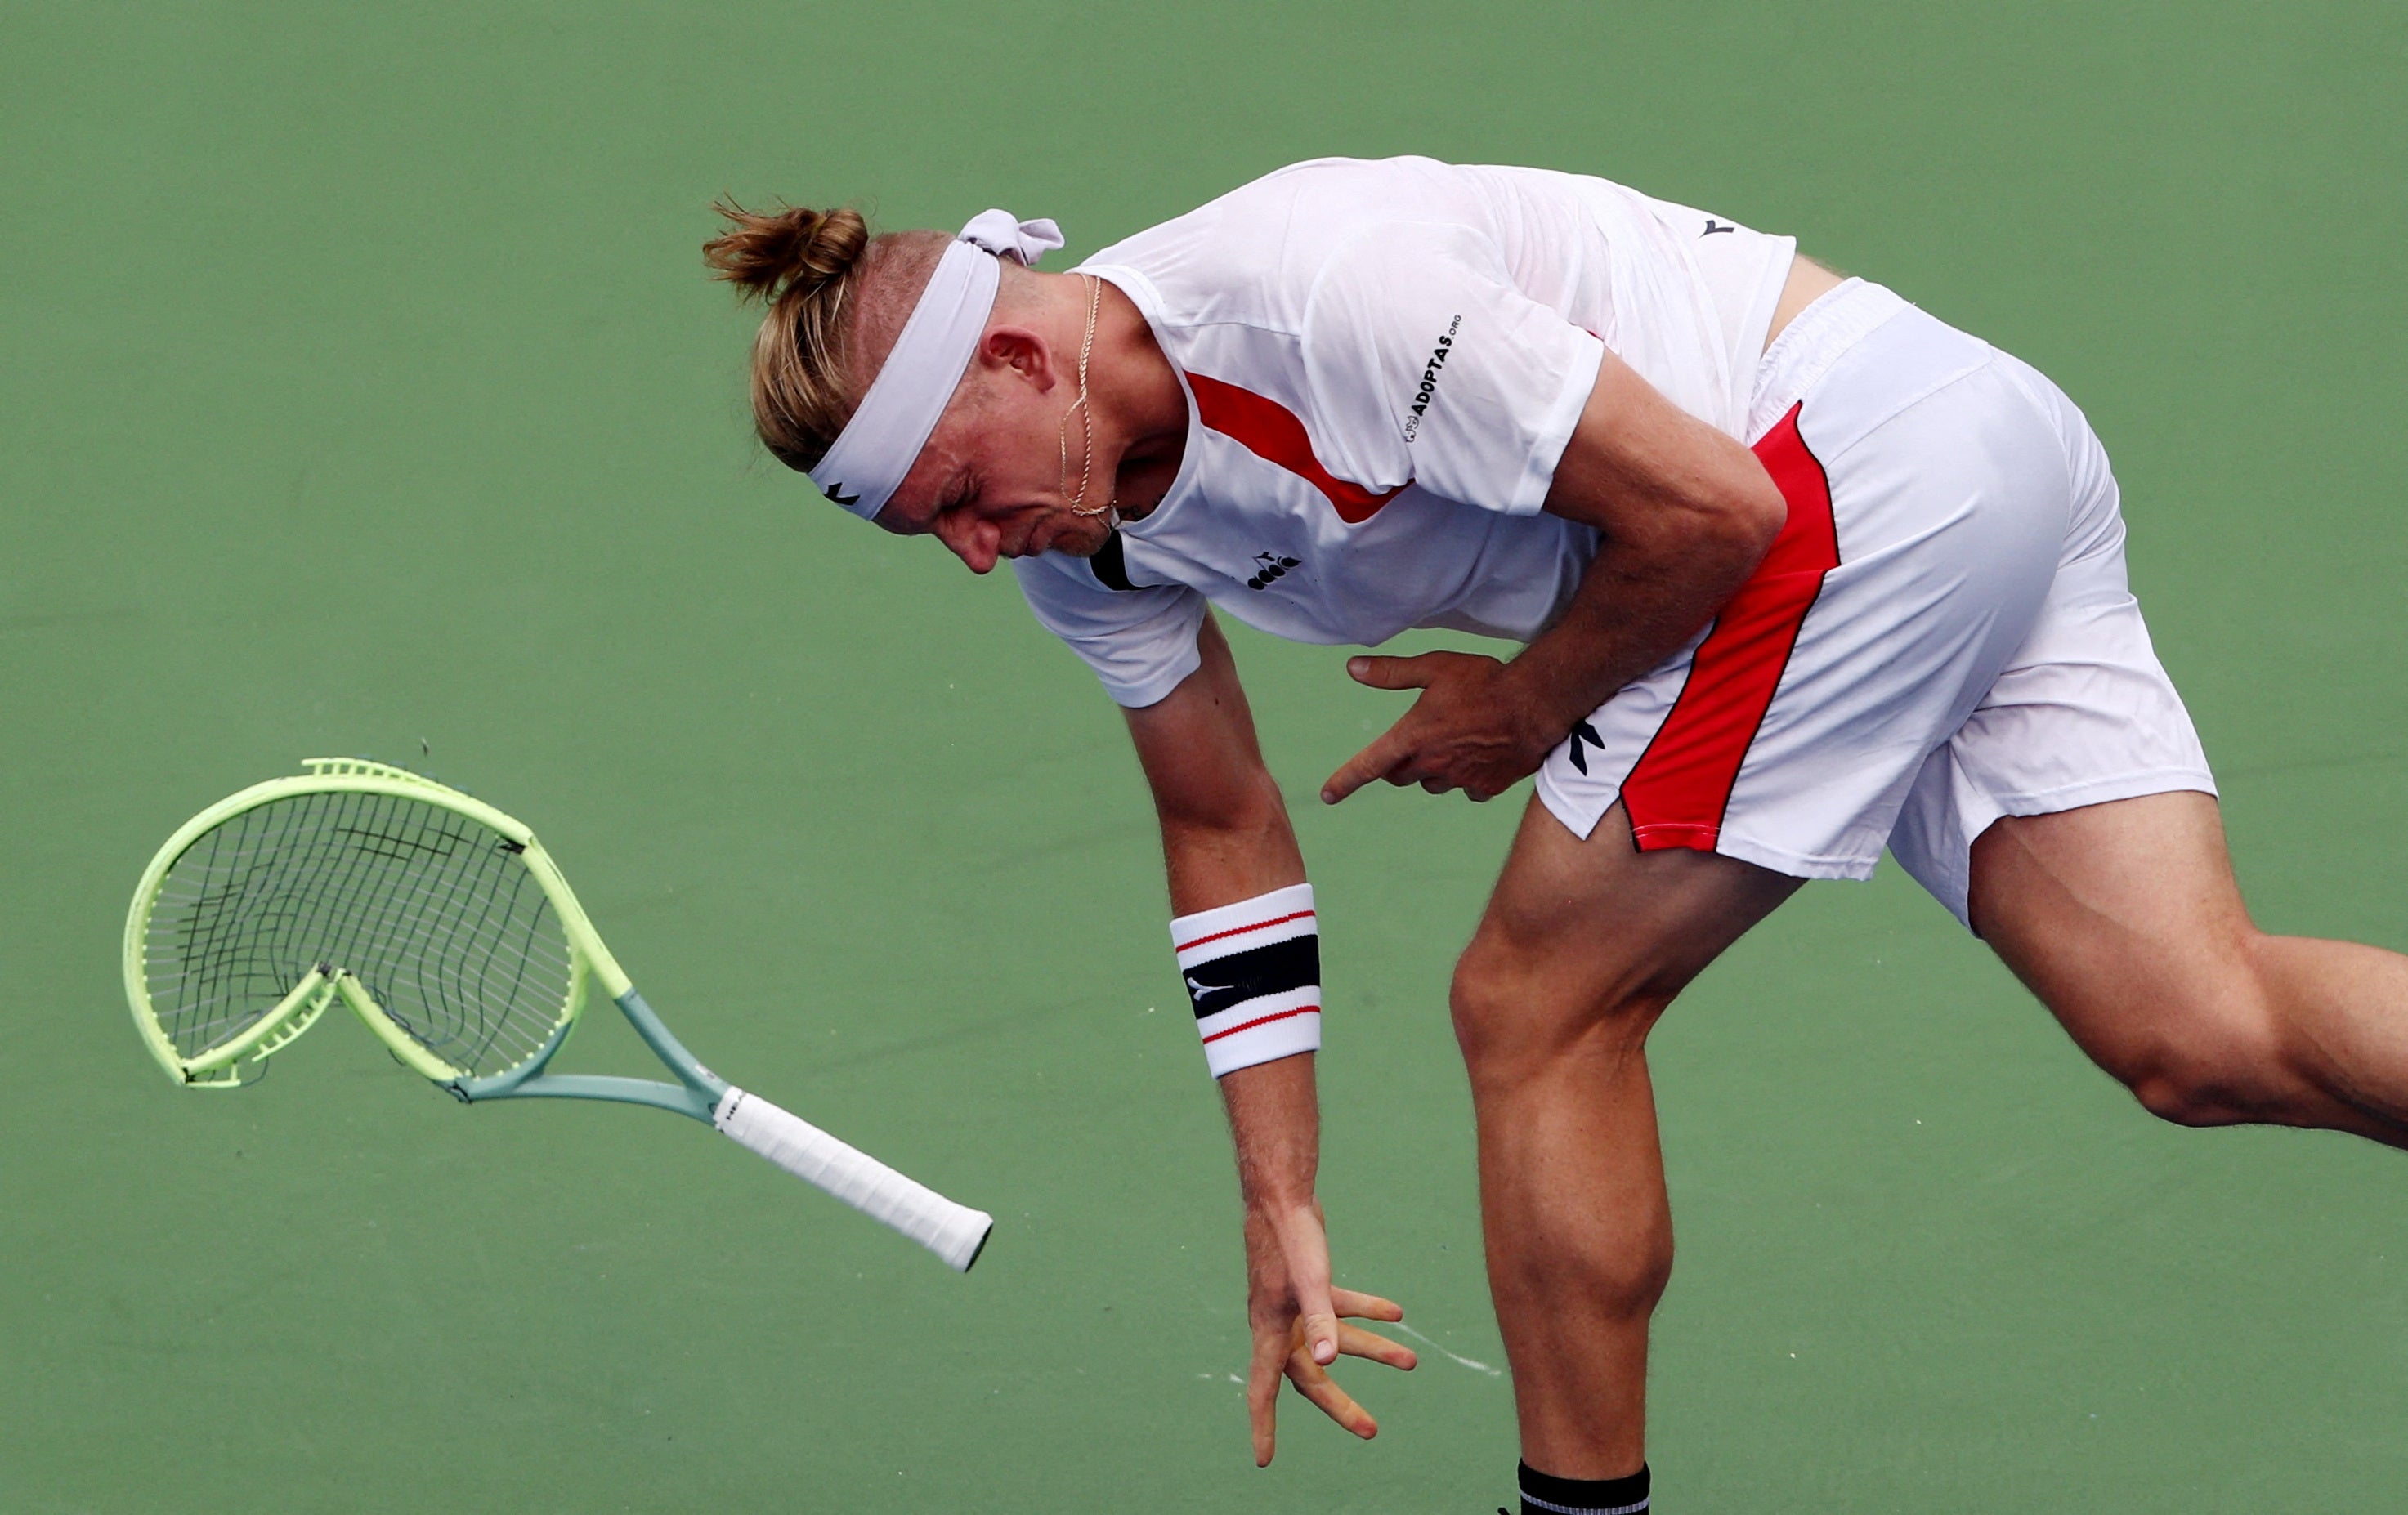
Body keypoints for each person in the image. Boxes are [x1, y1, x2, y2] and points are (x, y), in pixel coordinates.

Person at [702, 157, 2408, 1515]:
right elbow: (1222, 820)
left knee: (1538, 1007)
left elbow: (1714, 510)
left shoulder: (1317, 294)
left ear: (1010, 358)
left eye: (959, 499)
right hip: (1955, 453)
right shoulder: (1089, 538)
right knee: (2198, 1030)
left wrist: (1526, 708)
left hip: (1850, 464)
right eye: (934, 535)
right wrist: (1275, 1196)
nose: (978, 555)